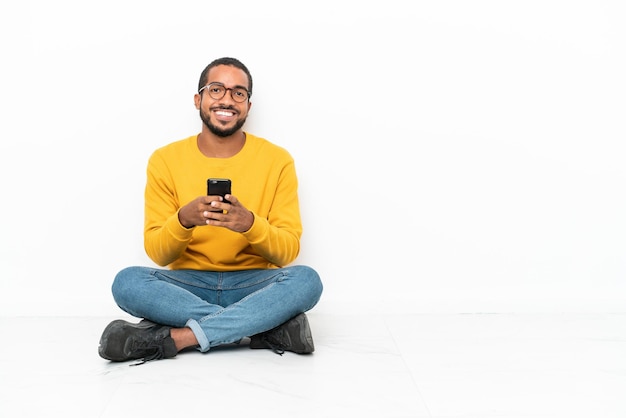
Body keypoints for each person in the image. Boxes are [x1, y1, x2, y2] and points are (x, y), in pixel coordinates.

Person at [98, 57, 323, 364]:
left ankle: (179, 339)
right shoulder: (165, 160)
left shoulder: (277, 160)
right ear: (198, 99)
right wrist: (183, 220)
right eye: (216, 89)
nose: (227, 100)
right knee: (127, 282)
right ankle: (262, 328)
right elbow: (157, 253)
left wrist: (249, 224)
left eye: (238, 93)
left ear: (248, 105)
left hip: (253, 285)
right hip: (188, 287)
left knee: (307, 281)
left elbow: (287, 253)